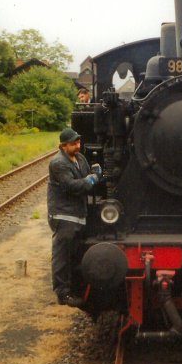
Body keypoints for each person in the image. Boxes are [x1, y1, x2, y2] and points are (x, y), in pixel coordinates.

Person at [47, 128, 101, 306]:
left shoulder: (80, 158)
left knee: (75, 253)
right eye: (73, 144)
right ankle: (62, 293)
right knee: (62, 254)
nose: (77, 146)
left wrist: (93, 175)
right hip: (63, 214)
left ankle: (76, 287)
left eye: (78, 142)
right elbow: (73, 186)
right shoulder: (58, 163)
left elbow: (87, 178)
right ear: (63, 146)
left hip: (78, 213)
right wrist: (93, 179)